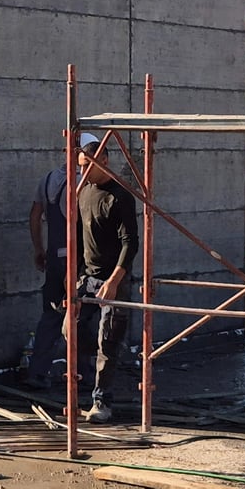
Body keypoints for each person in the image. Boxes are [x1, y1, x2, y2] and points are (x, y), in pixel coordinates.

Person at [70, 138, 139, 424]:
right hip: (87, 277)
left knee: (107, 342)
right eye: (79, 167)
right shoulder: (83, 192)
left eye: (86, 166)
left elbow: (130, 243)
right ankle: (100, 359)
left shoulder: (120, 197)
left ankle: (101, 401)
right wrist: (72, 275)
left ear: (104, 162)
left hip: (114, 280)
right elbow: (77, 236)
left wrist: (114, 280)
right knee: (69, 329)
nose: (82, 172)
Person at [24, 133, 99, 390]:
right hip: (76, 258)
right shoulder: (83, 183)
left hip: (55, 257)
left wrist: (39, 248)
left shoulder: (48, 179)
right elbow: (81, 223)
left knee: (52, 314)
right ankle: (83, 374)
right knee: (81, 314)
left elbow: (35, 215)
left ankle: (37, 372)